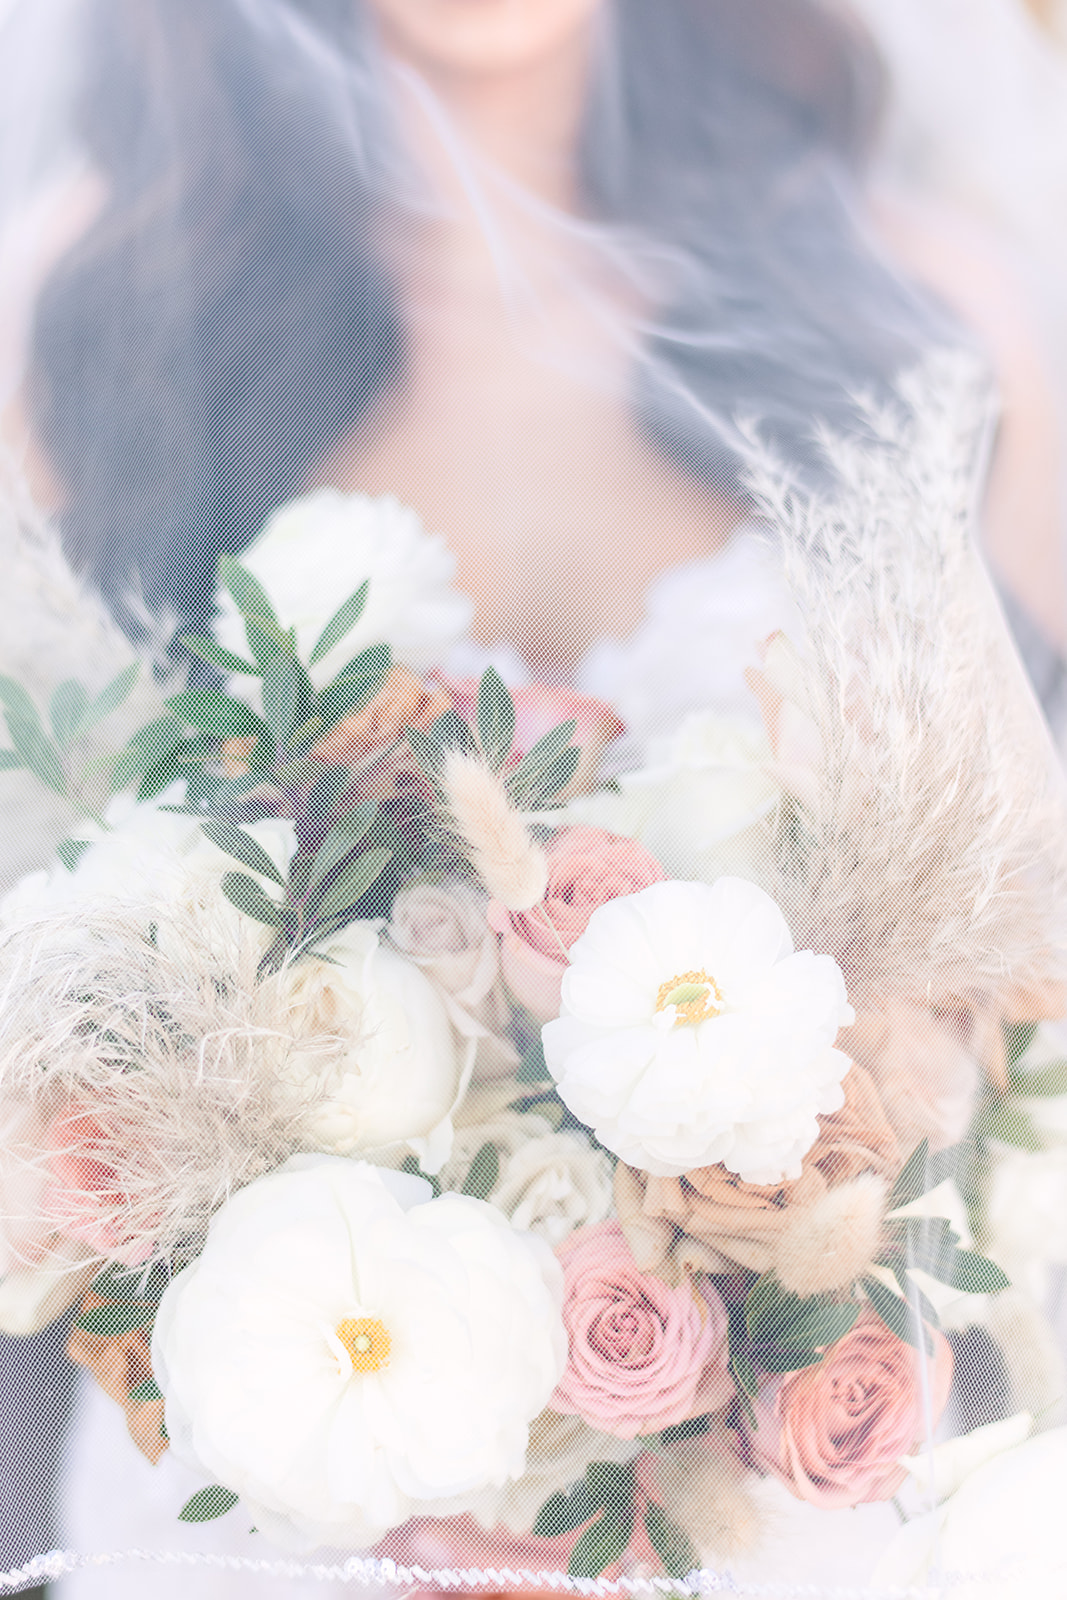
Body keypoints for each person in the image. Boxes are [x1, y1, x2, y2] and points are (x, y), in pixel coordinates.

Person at [0, 1, 1065, 1595]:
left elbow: (1025, 945)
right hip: (278, 1510)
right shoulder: (96, 296)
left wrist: (715, 1324)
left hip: (775, 1513)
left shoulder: (920, 307)